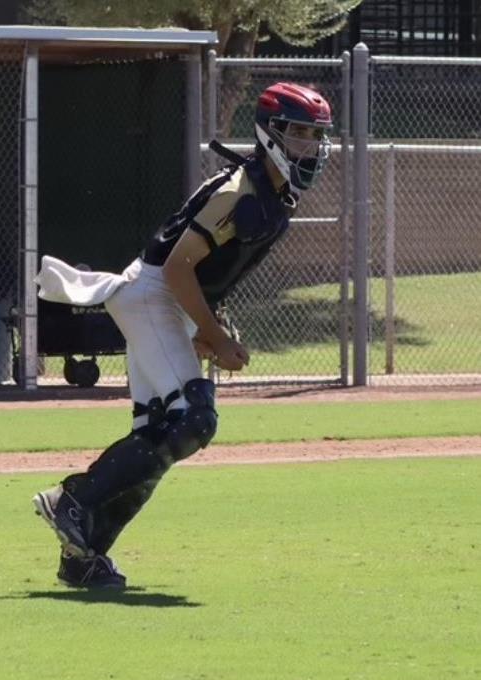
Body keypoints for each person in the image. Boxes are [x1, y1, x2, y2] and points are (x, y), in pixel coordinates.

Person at [33, 82, 333, 589]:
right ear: (270, 134)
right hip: (152, 295)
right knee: (194, 419)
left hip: (162, 302)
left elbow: (207, 274)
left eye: (316, 135)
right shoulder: (240, 190)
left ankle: (82, 554)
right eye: (299, 132)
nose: (311, 145)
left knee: (161, 435)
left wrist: (203, 328)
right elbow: (175, 269)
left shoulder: (273, 194)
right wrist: (214, 338)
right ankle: (73, 502)